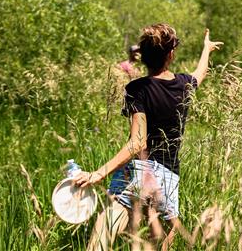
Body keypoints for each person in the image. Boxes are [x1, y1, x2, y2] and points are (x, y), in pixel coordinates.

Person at [73, 24, 223, 251]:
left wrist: (99, 174)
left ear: (142, 56)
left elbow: (138, 142)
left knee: (100, 242)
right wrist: (206, 50)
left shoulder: (137, 88)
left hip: (136, 173)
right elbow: (200, 73)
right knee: (162, 240)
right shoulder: (184, 85)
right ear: (171, 55)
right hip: (167, 179)